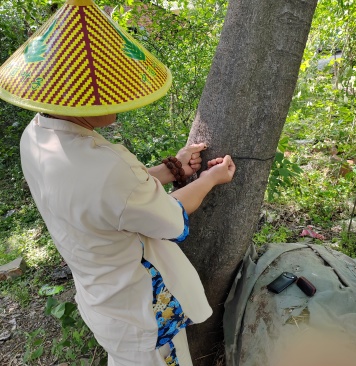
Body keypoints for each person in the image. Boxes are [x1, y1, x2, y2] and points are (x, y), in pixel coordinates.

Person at [0, 1, 236, 364]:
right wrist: (210, 179)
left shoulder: (35, 137)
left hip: (101, 298)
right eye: (111, 88)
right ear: (81, 99)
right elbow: (172, 218)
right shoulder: (109, 169)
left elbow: (110, 199)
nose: (121, 99)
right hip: (141, 311)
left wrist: (173, 169)